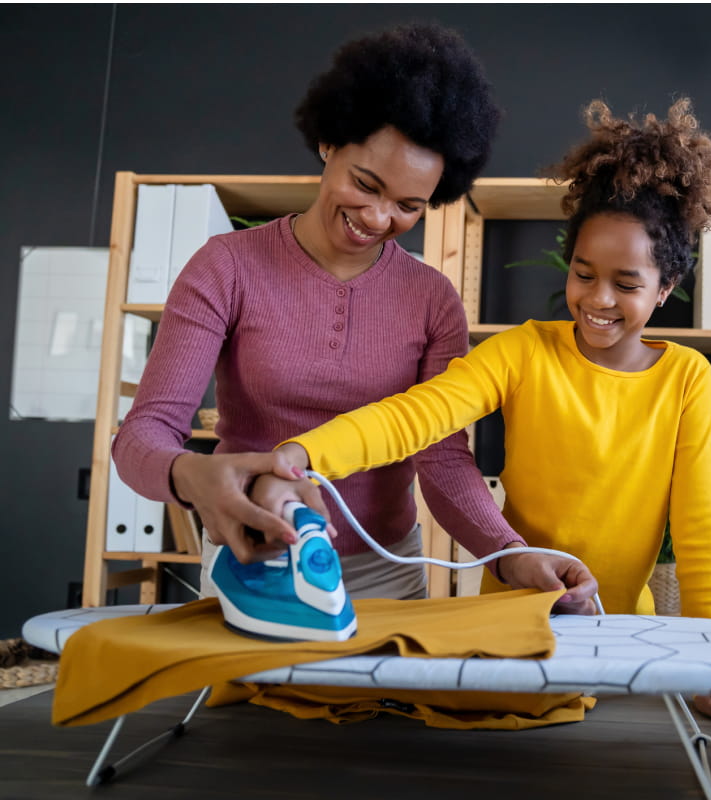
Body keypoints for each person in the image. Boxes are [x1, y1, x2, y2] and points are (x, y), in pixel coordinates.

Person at [251, 97, 711, 728]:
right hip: (515, 622)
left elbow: (700, 534)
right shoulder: (524, 351)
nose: (599, 299)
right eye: (584, 274)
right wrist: (304, 454)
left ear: (665, 288)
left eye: (627, 283)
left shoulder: (684, 377)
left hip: (625, 638)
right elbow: (415, 416)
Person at [111, 22, 596, 612]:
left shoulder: (431, 298)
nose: (377, 216)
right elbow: (143, 434)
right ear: (329, 143)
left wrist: (510, 552)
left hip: (389, 572)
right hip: (256, 560)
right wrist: (190, 476)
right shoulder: (227, 268)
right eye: (365, 183)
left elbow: (440, 457)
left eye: (409, 205)